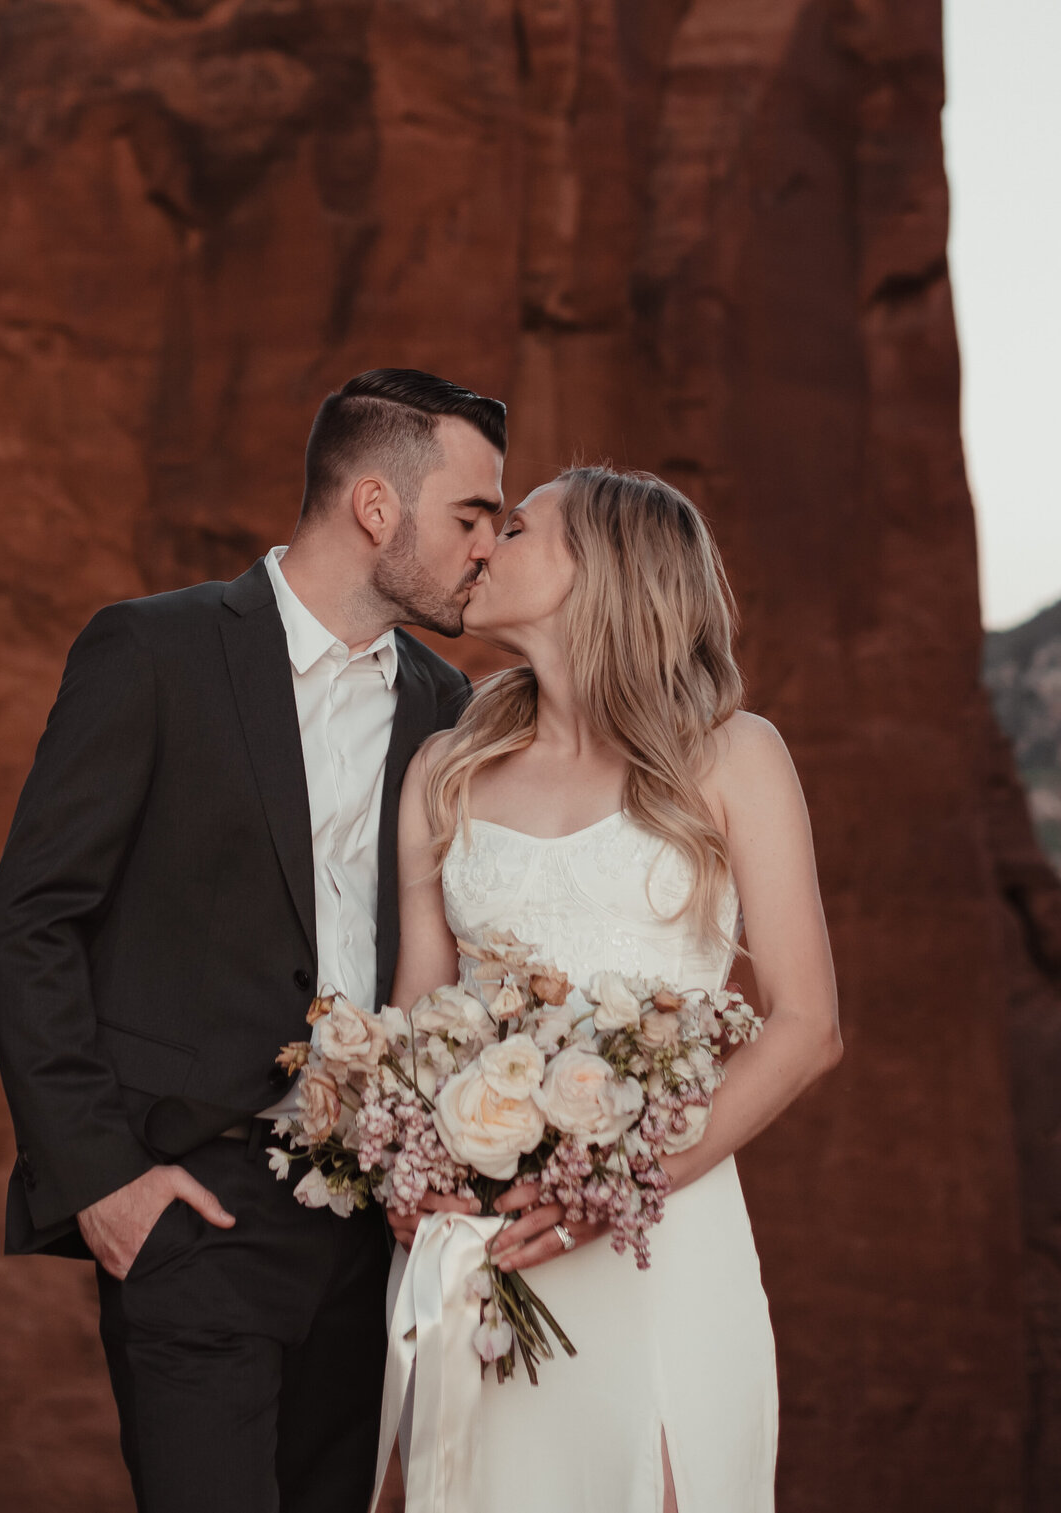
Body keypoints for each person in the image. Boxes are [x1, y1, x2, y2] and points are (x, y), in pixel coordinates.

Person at [0, 368, 506, 1513]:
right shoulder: (153, 652)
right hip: (196, 1211)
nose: (490, 547)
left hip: (382, 1232)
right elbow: (32, 919)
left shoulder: (449, 705)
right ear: (377, 506)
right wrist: (104, 1181)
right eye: (472, 516)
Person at [389, 465, 842, 1512]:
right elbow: (420, 1005)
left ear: (597, 569)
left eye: (515, 529)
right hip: (488, 1240)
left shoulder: (733, 756)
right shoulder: (442, 772)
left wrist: (625, 1179)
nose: (483, 547)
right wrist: (409, 1179)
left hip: (664, 1241)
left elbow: (809, 1025)